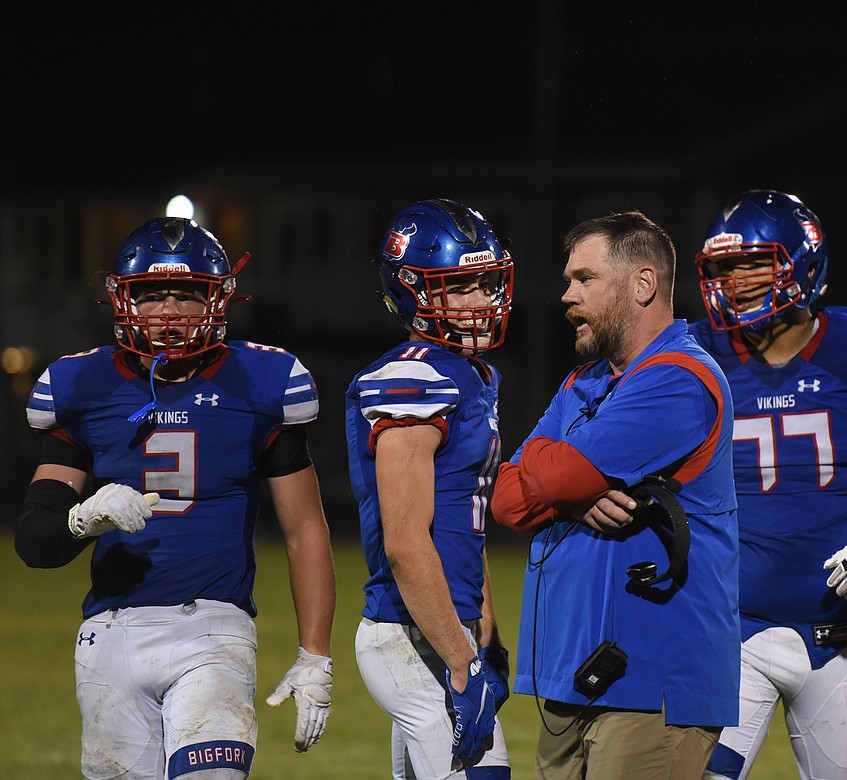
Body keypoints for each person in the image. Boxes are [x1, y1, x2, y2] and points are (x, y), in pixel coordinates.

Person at [13, 217, 337, 779]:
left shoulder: (261, 382)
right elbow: (35, 541)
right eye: (152, 295)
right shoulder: (81, 386)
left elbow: (305, 528)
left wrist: (316, 655)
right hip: (111, 634)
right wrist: (83, 519)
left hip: (211, 628)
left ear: (217, 299)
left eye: (185, 296)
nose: (168, 312)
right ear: (122, 300)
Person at [689, 190, 847, 780]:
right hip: (728, 627)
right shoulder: (693, 357)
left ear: (803, 262)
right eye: (723, 267)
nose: (735, 281)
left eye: (753, 263)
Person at [491, 210, 740, 779]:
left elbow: (546, 479)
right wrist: (575, 493)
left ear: (642, 284)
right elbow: (507, 501)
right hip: (571, 671)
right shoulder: (586, 380)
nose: (565, 295)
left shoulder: (679, 377)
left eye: (584, 279)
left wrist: (558, 477)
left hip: (653, 681)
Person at [346, 198, 514, 779]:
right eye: (458, 286)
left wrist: (484, 618)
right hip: (409, 629)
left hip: (443, 624)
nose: (478, 301)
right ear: (412, 290)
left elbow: (463, 512)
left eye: (483, 283)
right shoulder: (414, 376)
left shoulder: (472, 374)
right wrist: (463, 661)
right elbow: (405, 541)